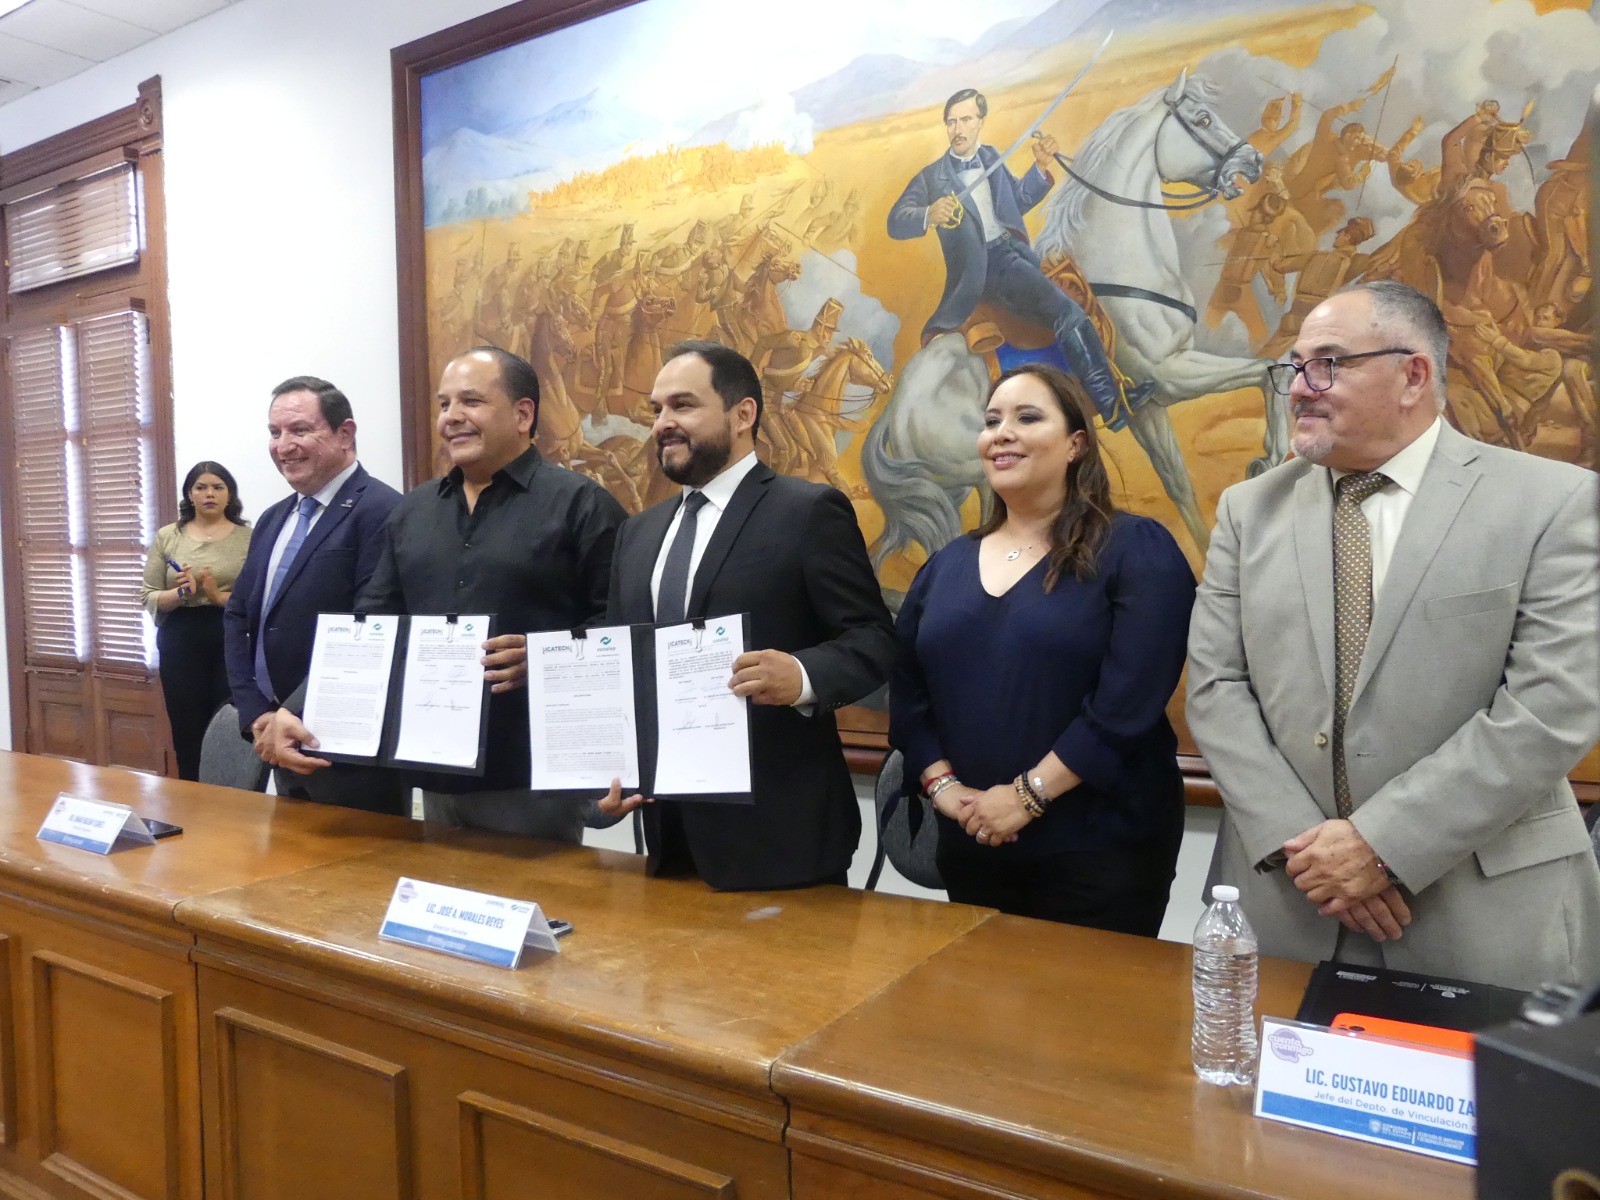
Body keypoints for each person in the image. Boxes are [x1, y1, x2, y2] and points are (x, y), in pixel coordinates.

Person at [1187, 280, 1600, 991]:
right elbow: (1217, 688)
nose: (1300, 388)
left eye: (1328, 364)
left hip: (1483, 917)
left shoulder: (1553, 503)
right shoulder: (1247, 511)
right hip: (1290, 906)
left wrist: (1382, 844)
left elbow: (1552, 706)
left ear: (1413, 375)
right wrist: (1312, 855)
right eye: (1294, 367)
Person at [256, 347, 625, 840]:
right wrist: (296, 708)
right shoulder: (414, 512)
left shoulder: (582, 504)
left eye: (471, 401)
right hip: (432, 768)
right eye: (444, 403)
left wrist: (544, 658)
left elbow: (621, 625)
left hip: (532, 776)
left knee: (535, 892)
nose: (451, 417)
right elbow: (373, 625)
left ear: (522, 414)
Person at [889, 364, 1195, 931]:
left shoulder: (1135, 550)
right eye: (991, 421)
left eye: (1027, 418)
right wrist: (944, 788)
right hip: (973, 837)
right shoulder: (945, 565)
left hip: (1099, 848)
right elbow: (909, 695)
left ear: (1076, 444)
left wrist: (1026, 797)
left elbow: (1128, 703)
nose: (1001, 433)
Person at [597, 340, 895, 889]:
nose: (662, 424)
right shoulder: (637, 534)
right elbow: (621, 665)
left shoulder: (807, 511)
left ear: (743, 414)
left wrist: (801, 676)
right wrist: (605, 771)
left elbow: (874, 639)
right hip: (669, 838)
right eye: (657, 410)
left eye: (683, 405)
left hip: (781, 837)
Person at [887, 88, 1145, 425]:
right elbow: (895, 221)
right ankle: (1111, 405)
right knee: (1070, 313)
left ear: (980, 122)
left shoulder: (991, 157)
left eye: (965, 120)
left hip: (1016, 254)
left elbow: (1017, 202)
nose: (957, 129)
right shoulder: (931, 177)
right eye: (951, 122)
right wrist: (927, 214)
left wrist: (1040, 168)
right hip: (987, 272)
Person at [223, 376, 406, 813]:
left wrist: (294, 711)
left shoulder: (384, 511)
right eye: (275, 432)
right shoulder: (273, 518)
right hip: (276, 737)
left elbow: (372, 627)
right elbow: (237, 616)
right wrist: (256, 712)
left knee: (360, 857)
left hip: (347, 748)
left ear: (345, 434)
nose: (283, 446)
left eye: (300, 430)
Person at [141, 461, 252, 780]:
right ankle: (191, 794)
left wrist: (218, 597)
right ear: (189, 494)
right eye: (201, 487)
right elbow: (148, 594)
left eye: (218, 487)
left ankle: (229, 798)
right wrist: (180, 593)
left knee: (229, 723)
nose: (209, 494)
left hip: (231, 635)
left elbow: (258, 597)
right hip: (181, 637)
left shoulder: (249, 537)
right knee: (187, 727)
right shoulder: (168, 536)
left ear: (229, 494)